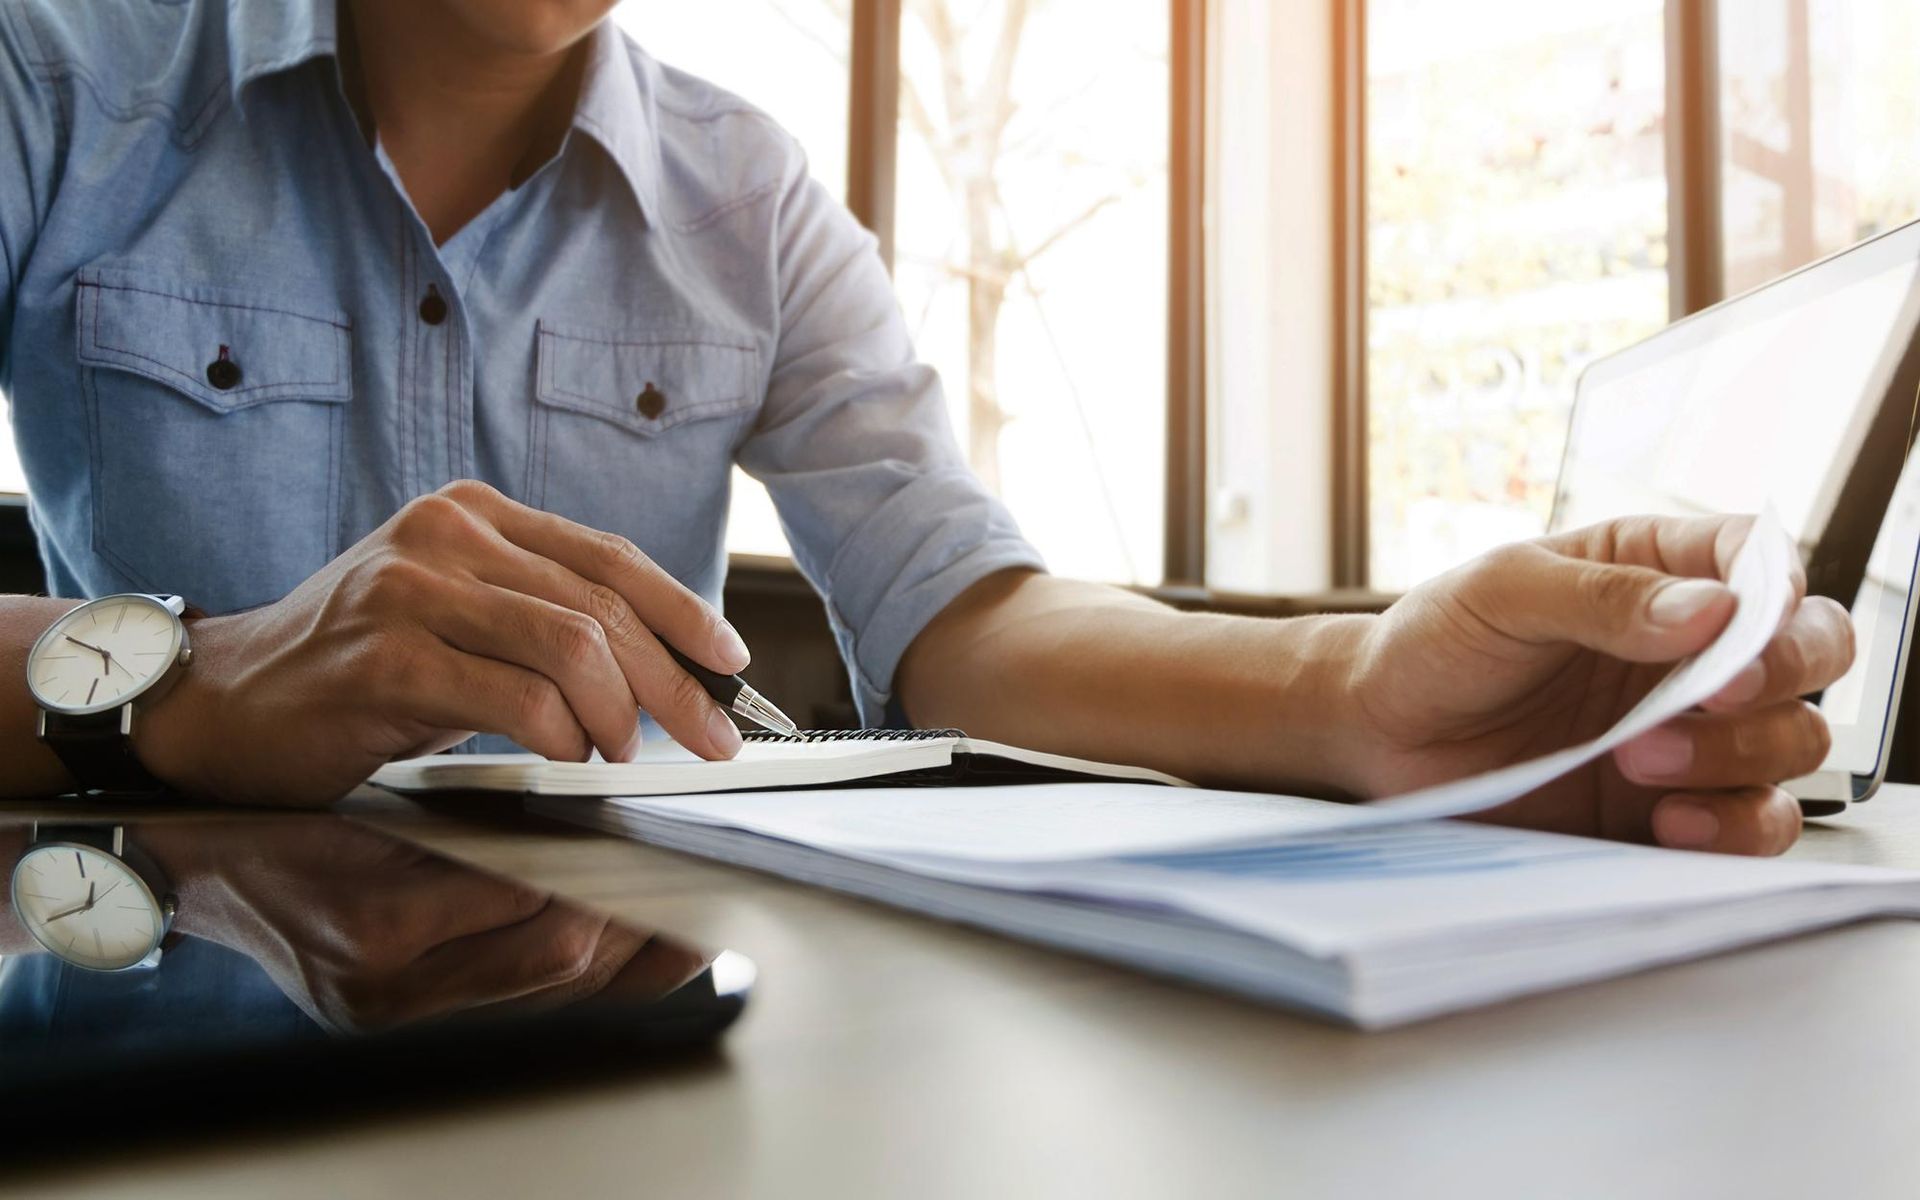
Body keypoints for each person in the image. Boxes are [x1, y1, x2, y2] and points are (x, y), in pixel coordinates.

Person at [0, 0, 1852, 856]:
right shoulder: (60, 77)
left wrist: (1356, 696)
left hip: (615, 1006)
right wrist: (190, 679)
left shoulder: (753, 199)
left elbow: (961, 615)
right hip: (140, 966)